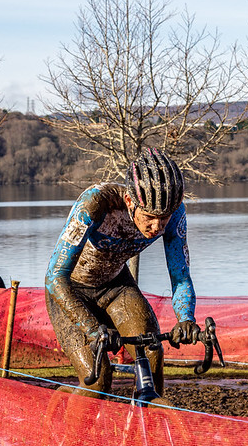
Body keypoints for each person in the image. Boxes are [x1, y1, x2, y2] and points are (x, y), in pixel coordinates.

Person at [45, 148, 199, 401]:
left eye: (164, 218)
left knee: (151, 353)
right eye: (149, 217)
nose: (157, 227)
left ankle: (149, 429)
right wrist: (93, 329)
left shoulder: (175, 214)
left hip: (116, 286)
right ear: (129, 201)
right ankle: (71, 435)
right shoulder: (96, 203)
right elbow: (54, 277)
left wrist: (186, 319)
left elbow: (180, 277)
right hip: (71, 291)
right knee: (99, 380)